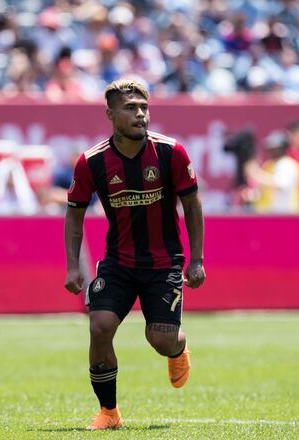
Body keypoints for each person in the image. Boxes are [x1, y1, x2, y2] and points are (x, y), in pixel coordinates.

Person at [63, 79, 205, 431]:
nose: (140, 114)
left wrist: (197, 259)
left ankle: (177, 349)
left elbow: (192, 205)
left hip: (163, 263)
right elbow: (74, 214)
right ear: (111, 114)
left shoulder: (171, 152)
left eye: (143, 107)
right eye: (130, 108)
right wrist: (72, 266)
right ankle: (109, 412)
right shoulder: (92, 161)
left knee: (161, 339)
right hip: (119, 263)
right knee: (100, 327)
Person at [250, 132, 299, 213]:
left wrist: (256, 174)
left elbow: (280, 185)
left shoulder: (288, 164)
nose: (269, 150)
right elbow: (264, 192)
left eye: (273, 148)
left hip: (286, 215)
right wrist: (252, 196)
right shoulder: (269, 165)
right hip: (270, 215)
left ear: (282, 148)